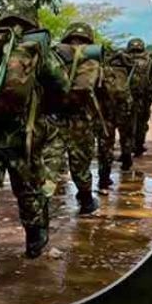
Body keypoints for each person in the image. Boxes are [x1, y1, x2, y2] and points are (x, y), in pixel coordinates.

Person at [0, 12, 71, 282]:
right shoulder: (35, 49)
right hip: (23, 137)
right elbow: (62, 87)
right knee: (28, 191)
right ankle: (33, 243)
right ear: (31, 23)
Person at [51, 23, 105, 214]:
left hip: (52, 117)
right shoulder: (92, 61)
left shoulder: (54, 56)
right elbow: (102, 91)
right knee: (80, 161)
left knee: (50, 161)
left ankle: (41, 204)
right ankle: (86, 200)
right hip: (81, 120)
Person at [97, 43, 135, 189]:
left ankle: (104, 178)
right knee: (125, 135)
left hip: (105, 112)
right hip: (122, 109)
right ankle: (126, 161)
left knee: (105, 145)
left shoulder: (101, 67)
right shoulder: (126, 68)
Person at [124, 38, 152, 157]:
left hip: (126, 97)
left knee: (126, 123)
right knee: (142, 123)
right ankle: (138, 146)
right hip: (144, 98)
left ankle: (126, 148)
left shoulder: (123, 59)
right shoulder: (151, 59)